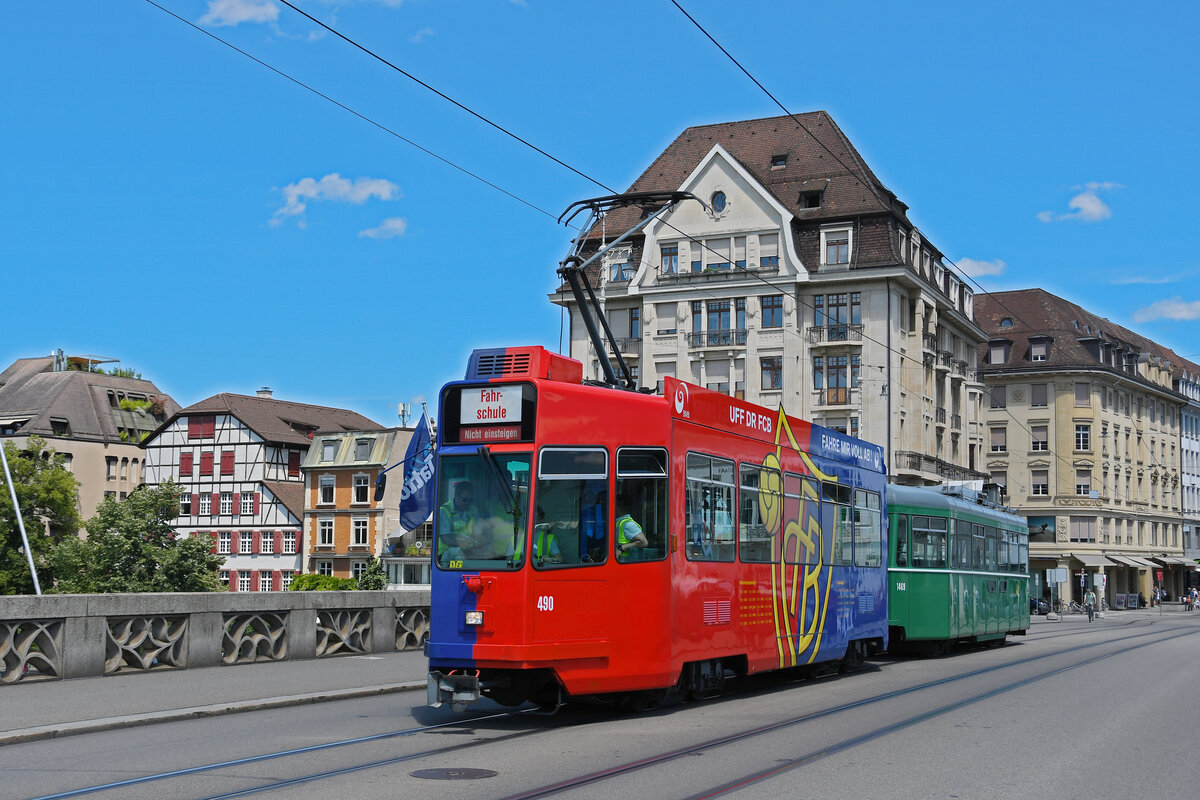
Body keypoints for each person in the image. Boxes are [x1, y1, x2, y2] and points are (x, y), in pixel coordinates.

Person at [438, 480, 480, 562]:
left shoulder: (473, 510)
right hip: (446, 556)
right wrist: (461, 544)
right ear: (456, 496)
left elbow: (478, 531)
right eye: (464, 500)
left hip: (467, 553)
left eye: (470, 500)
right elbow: (445, 538)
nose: (467, 503)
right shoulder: (444, 511)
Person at [615, 492, 648, 560]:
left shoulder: (627, 524)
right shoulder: (618, 522)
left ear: (620, 506)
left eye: (614, 505)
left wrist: (623, 548)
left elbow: (644, 542)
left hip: (625, 563)